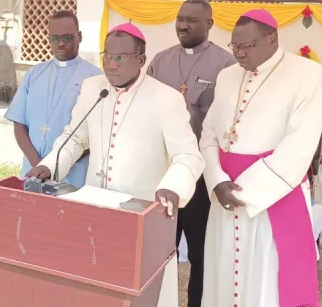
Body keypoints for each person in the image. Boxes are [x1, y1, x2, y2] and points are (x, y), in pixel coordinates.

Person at [26, 22, 205, 307]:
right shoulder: (92, 88)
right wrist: (50, 165)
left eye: (120, 57)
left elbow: (188, 156)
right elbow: (74, 137)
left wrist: (173, 186)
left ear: (141, 60)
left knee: (139, 294)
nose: (111, 63)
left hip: (142, 215)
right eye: (107, 55)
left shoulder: (166, 98)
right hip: (95, 212)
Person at [199, 9, 322, 307]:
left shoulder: (307, 74)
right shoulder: (227, 75)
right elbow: (209, 134)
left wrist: (246, 192)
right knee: (223, 272)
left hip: (272, 197)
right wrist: (217, 180)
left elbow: (300, 145)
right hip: (223, 195)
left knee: (267, 280)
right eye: (235, 46)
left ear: (273, 39)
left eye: (247, 46)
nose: (239, 54)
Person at [146, 0, 236, 307]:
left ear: (209, 24)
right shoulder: (160, 60)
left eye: (192, 20)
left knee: (200, 254)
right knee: (157, 252)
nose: (183, 24)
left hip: (199, 179)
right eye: (180, 18)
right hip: (162, 174)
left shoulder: (226, 65)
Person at [5, 10, 102, 187]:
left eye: (67, 37)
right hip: (32, 169)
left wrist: (56, 165)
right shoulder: (35, 73)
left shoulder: (96, 78)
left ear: (79, 37)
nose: (61, 44)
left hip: (74, 172)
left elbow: (97, 134)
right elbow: (19, 123)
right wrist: (39, 164)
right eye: (55, 38)